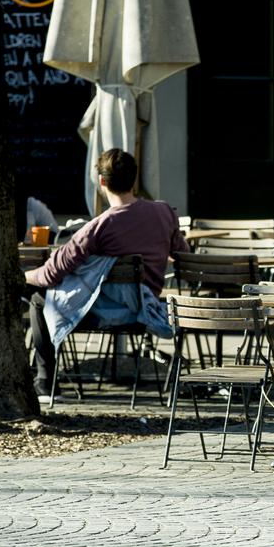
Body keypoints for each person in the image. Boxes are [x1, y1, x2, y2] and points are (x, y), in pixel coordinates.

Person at [25, 149, 188, 403]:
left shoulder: (99, 226)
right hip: (146, 310)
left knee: (37, 298)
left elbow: (50, 274)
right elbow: (184, 255)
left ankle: (45, 382)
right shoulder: (164, 213)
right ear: (134, 179)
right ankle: (45, 381)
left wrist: (23, 276)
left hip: (107, 313)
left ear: (101, 182)